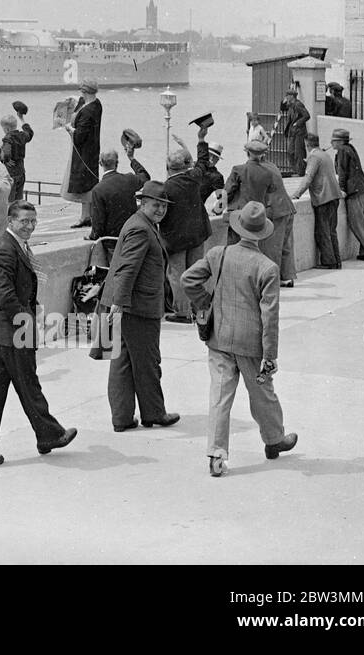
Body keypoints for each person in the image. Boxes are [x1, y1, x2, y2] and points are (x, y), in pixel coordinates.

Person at [182, 201, 298, 477]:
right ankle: (273, 440)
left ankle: (216, 454)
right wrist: (270, 356)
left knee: (220, 397)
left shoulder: (217, 254)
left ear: (237, 227)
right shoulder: (267, 268)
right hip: (251, 345)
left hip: (219, 339)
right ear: (263, 233)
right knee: (262, 394)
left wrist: (206, 301)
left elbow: (188, 279)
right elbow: (270, 317)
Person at [0, 200, 77, 468]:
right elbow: (5, 297)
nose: (29, 226)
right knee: (29, 385)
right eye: (24, 221)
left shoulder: (11, 246)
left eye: (33, 221)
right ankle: (49, 436)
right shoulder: (6, 250)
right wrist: (27, 319)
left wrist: (31, 304)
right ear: (10, 222)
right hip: (12, 331)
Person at [103, 180, 179, 432]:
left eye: (164, 206)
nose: (161, 210)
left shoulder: (141, 224)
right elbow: (127, 269)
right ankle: (154, 413)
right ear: (143, 203)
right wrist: (120, 303)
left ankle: (122, 418)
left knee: (123, 361)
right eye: (156, 205)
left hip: (129, 305)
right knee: (147, 362)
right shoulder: (141, 229)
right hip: (137, 307)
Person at [225, 139, 296, 286]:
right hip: (287, 207)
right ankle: (286, 277)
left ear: (248, 153)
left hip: (274, 210)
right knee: (285, 246)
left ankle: (272, 280)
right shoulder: (271, 168)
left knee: (271, 248)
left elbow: (229, 192)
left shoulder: (243, 169)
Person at [161, 135, 214, 321]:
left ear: (168, 168)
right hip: (198, 234)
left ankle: (182, 313)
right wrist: (200, 138)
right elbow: (202, 162)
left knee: (177, 274)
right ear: (186, 166)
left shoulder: (166, 188)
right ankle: (198, 308)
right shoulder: (194, 178)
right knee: (196, 272)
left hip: (176, 239)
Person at [291, 133, 343, 269]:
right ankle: (337, 260)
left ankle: (328, 261)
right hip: (334, 195)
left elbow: (308, 178)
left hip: (323, 197)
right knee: (332, 230)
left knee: (323, 232)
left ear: (307, 144)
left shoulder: (314, 157)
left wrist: (296, 194)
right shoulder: (324, 155)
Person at [330, 128, 364, 261]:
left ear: (339, 141)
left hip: (355, 191)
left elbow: (342, 172)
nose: (331, 143)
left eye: (333, 140)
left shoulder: (342, 151)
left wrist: (341, 188)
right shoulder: (350, 148)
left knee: (357, 223)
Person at [88, 146, 151, 245]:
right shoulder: (129, 179)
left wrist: (92, 236)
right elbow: (145, 177)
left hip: (113, 241)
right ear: (117, 163)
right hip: (132, 235)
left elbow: (98, 223)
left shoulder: (98, 189)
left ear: (100, 163)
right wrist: (131, 158)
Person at [63, 81, 103, 228]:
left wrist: (69, 129)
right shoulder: (97, 104)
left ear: (84, 91)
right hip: (93, 149)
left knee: (83, 183)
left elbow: (79, 136)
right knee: (90, 181)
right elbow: (83, 103)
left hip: (83, 151)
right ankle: (88, 215)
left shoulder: (87, 111)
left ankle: (85, 217)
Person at [0, 106, 33, 203]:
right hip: (21, 172)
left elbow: (6, 153)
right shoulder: (22, 135)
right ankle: (19, 215)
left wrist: (4, 160)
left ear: (7, 129)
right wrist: (21, 118)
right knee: (19, 199)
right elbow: (29, 133)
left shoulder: (8, 138)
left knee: (10, 200)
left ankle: (10, 217)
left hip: (11, 174)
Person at [279, 88, 311, 175]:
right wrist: (283, 101)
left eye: (287, 96)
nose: (286, 97)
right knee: (290, 152)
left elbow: (307, 115)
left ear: (292, 96)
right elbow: (282, 109)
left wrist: (297, 123)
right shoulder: (291, 105)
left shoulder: (298, 105)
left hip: (299, 132)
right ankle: (296, 170)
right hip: (293, 132)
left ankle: (301, 172)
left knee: (299, 152)